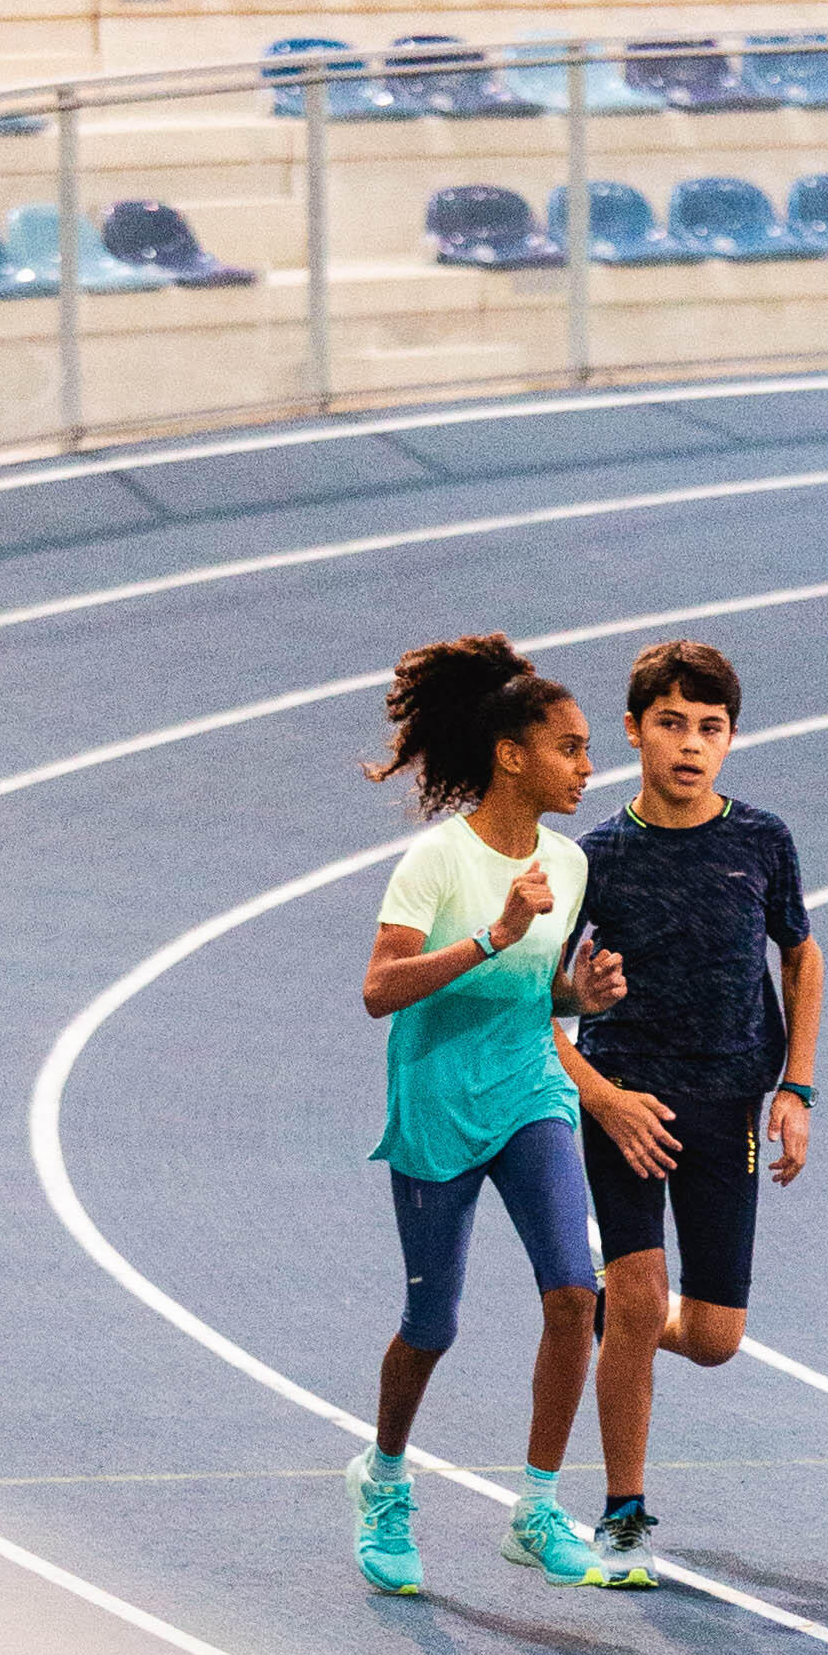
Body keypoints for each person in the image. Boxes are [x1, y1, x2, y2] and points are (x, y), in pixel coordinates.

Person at [349, 631, 642, 1601]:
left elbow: (540, 994)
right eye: (570, 746)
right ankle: (385, 1477)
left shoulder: (571, 863)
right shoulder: (434, 863)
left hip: (529, 1095)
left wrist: (581, 998)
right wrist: (493, 935)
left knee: (573, 1292)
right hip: (438, 1104)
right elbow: (380, 990)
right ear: (512, 753)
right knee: (431, 1324)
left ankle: (536, 1508)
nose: (589, 767)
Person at [566, 633, 820, 1585]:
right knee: (637, 1300)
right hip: (626, 1104)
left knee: (712, 1339)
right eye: (670, 723)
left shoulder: (762, 840)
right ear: (634, 731)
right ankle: (623, 1514)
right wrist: (604, 1097)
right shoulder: (595, 858)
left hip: (729, 1107)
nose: (690, 744)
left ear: (731, 740)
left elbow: (801, 952)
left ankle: (614, 1319)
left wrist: (795, 1085)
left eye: (710, 728)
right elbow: (537, 1003)